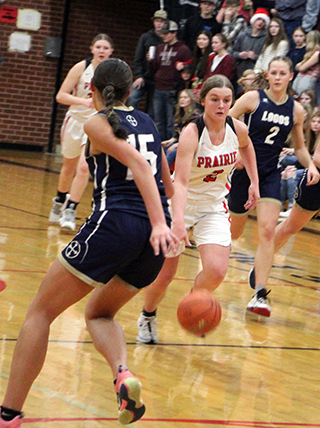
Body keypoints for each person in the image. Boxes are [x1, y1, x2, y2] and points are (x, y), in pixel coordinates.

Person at [0, 58, 180, 428]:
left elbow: (142, 168)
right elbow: (168, 181)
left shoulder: (96, 122)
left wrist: (163, 224)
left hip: (117, 225)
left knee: (40, 312)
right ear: (131, 91)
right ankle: (122, 375)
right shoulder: (147, 122)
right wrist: (170, 225)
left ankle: (9, 413)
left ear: (91, 89)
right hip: (150, 244)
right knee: (99, 313)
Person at [137, 74, 260, 344]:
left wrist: (254, 181)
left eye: (227, 100)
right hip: (182, 204)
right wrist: (178, 221)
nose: (221, 105)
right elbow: (180, 182)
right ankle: (147, 315)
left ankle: (194, 302)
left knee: (216, 270)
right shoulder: (193, 133)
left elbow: (247, 147)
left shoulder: (237, 129)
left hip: (213, 205)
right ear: (202, 100)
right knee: (164, 275)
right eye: (215, 99)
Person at [228, 56, 319, 318]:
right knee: (235, 232)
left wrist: (310, 166)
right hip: (244, 172)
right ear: (267, 75)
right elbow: (224, 123)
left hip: (269, 174)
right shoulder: (251, 100)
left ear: (291, 77)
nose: (278, 77)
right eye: (274, 72)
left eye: (283, 73)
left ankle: (260, 294)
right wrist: (233, 152)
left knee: (267, 231)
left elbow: (300, 147)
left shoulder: (296, 110)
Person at [49, 34, 114, 231]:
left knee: (84, 168)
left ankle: (71, 208)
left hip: (94, 123)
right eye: (98, 47)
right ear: (92, 49)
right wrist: (83, 101)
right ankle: (60, 199)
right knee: (68, 166)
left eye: (106, 48)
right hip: (75, 120)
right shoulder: (81, 67)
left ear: (111, 51)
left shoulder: (111, 71)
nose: (102, 51)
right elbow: (61, 95)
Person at [149, 20, 192, 140]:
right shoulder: (159, 48)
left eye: (167, 33)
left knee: (170, 121)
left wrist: (183, 69)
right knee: (158, 121)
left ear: (174, 33)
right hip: (158, 86)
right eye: (163, 33)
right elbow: (154, 68)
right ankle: (160, 145)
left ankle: (169, 143)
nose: (164, 36)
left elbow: (188, 71)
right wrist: (150, 61)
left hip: (172, 89)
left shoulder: (183, 49)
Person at [126, 9, 167, 118]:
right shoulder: (146, 37)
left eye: (162, 21)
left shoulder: (167, 40)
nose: (159, 24)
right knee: (132, 98)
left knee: (153, 109)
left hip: (159, 79)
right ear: (153, 22)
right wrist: (139, 75)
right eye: (157, 21)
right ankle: (132, 120)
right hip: (144, 76)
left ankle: (146, 126)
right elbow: (138, 59)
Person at [162, 89, 202, 168]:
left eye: (185, 97)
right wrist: (170, 141)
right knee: (162, 149)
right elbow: (177, 134)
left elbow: (193, 138)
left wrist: (177, 145)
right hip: (181, 143)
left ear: (191, 100)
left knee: (172, 153)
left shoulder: (195, 116)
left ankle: (162, 175)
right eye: (181, 98)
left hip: (192, 145)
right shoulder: (180, 114)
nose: (182, 100)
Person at [230, 7, 268, 90]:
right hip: (239, 72)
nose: (260, 22)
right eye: (259, 19)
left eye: (263, 21)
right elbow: (232, 52)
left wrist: (255, 57)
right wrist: (239, 55)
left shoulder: (265, 38)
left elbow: (266, 58)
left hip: (254, 73)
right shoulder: (243, 35)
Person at [175, 30, 213, 100]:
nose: (201, 41)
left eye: (204, 39)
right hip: (195, 87)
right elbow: (189, 62)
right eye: (199, 39)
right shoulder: (198, 57)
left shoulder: (212, 56)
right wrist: (180, 64)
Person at [292, 30, 320, 98]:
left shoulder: (317, 54)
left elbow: (302, 68)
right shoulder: (309, 53)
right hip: (300, 78)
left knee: (303, 100)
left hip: (308, 79)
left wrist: (301, 66)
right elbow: (296, 66)